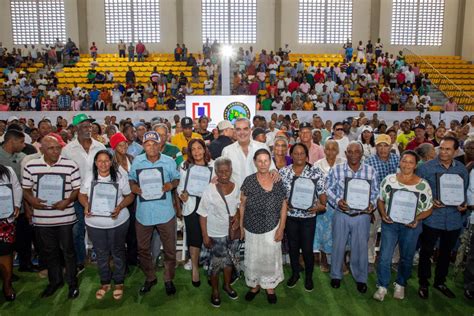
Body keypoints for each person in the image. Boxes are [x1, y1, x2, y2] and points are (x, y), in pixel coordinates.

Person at [22, 136, 80, 299]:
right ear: (42, 150)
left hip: (65, 217)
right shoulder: (30, 166)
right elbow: (25, 189)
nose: (55, 151)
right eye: (51, 148)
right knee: (49, 251)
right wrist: (32, 200)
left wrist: (67, 201)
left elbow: (77, 189)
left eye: (58, 148)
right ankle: (55, 281)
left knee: (68, 251)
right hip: (42, 218)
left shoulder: (70, 165)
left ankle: (72, 283)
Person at [373, 150, 433, 301]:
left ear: (415, 165)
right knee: (385, 256)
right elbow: (380, 199)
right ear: (399, 162)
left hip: (411, 226)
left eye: (411, 162)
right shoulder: (389, 180)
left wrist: (417, 219)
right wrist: (383, 213)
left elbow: (429, 208)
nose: (407, 164)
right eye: (404, 161)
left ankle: (401, 283)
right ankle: (382, 285)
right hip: (390, 224)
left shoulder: (423, 185)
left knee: (406, 257)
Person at [416, 136, 469, 299]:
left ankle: (440, 282)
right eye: (442, 148)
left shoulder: (461, 169)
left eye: (448, 149)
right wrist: (430, 201)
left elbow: (464, 191)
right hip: (432, 217)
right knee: (426, 252)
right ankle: (423, 283)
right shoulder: (425, 168)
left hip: (453, 219)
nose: (444, 152)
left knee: (445, 253)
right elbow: (418, 192)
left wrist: (463, 204)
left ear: (455, 151)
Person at [78, 150, 135, 300]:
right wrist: (85, 205)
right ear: (95, 163)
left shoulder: (120, 175)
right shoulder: (90, 176)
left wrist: (120, 206)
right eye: (100, 161)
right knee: (101, 253)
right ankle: (104, 282)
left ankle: (119, 282)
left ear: (111, 162)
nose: (103, 164)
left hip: (118, 222)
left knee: (118, 251)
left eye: (106, 161)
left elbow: (130, 195)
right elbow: (81, 194)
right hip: (94, 223)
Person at [129, 131, 180, 296]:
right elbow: (131, 179)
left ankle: (168, 279)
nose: (151, 147)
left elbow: (176, 179)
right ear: (143, 146)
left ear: (160, 145)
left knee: (170, 250)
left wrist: (170, 186)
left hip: (165, 211)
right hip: (144, 213)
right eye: (147, 144)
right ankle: (150, 277)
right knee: (143, 249)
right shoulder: (137, 161)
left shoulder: (168, 161)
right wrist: (134, 188)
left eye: (154, 144)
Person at [327, 141, 379, 293]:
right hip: (341, 213)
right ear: (346, 153)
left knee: (360, 247)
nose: (354, 154)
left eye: (357, 152)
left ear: (362, 154)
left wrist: (372, 204)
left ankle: (360, 278)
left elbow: (376, 192)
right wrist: (337, 201)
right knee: (338, 246)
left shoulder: (370, 171)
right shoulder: (336, 170)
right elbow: (328, 188)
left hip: (362, 215)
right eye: (351, 151)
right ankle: (336, 275)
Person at [240, 149, 288, 304]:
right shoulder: (248, 180)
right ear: (255, 162)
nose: (263, 164)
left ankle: (270, 287)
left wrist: (281, 228)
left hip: (272, 226)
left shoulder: (277, 180)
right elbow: (242, 204)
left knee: (270, 258)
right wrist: (241, 226)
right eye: (259, 161)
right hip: (251, 226)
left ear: (270, 162)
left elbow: (284, 206)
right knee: (254, 257)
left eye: (266, 160)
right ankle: (255, 286)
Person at [280, 143, 327, 291]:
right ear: (291, 155)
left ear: (307, 156)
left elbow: (323, 198)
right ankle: (295, 274)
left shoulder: (315, 172)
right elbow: (279, 195)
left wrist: (320, 206)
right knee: (293, 248)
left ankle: (308, 277)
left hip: (308, 217)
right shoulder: (284, 172)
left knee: (307, 249)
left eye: (302, 153)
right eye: (296, 153)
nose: (299, 156)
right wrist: (286, 203)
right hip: (290, 216)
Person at [62, 114, 106, 273]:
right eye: (84, 126)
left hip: (99, 195)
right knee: (77, 230)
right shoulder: (67, 150)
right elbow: (65, 174)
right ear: (75, 129)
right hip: (77, 196)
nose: (88, 129)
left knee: (100, 228)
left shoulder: (100, 147)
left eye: (90, 126)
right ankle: (80, 260)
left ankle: (99, 255)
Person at [197, 157, 241, 308]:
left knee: (229, 262)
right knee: (216, 266)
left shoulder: (236, 187)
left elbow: (239, 207)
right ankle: (215, 291)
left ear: (231, 170)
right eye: (220, 171)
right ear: (215, 172)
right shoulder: (209, 190)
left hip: (232, 234)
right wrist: (205, 236)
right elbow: (202, 214)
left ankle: (227, 285)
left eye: (227, 171)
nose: (224, 174)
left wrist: (237, 217)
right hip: (215, 234)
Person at [177, 139, 213, 287]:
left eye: (199, 148)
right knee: (194, 237)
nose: (197, 152)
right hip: (191, 204)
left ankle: (211, 267)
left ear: (204, 149)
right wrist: (182, 195)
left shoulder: (213, 165)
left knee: (211, 235)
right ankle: (195, 268)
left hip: (210, 206)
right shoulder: (185, 166)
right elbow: (180, 187)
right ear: (190, 152)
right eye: (193, 149)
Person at [364, 134, 400, 266]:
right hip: (375, 202)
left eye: (386, 146)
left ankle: (392, 259)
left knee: (393, 232)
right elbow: (366, 185)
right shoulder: (369, 161)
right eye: (380, 146)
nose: (383, 149)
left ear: (390, 146)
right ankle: (369, 258)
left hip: (394, 203)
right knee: (371, 232)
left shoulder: (397, 160)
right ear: (375, 147)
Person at [313, 140, 346, 272]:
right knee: (322, 233)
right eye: (328, 149)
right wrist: (318, 202)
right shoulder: (317, 165)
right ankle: (324, 260)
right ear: (324, 150)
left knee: (340, 233)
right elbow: (314, 184)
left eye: (334, 149)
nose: (330, 151)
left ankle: (341, 261)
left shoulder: (344, 163)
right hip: (324, 205)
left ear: (337, 151)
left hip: (340, 205)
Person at [222, 118, 276, 188]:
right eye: (238, 129)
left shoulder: (262, 147)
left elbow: (272, 168)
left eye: (245, 129)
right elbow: (222, 174)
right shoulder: (227, 151)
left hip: (259, 195)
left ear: (250, 130)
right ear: (234, 131)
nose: (242, 132)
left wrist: (274, 171)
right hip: (236, 196)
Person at [0, 165, 21, 301]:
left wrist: (17, 205)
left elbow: (17, 189)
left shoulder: (7, 171)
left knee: (5, 252)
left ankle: (7, 285)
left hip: (4, 221)